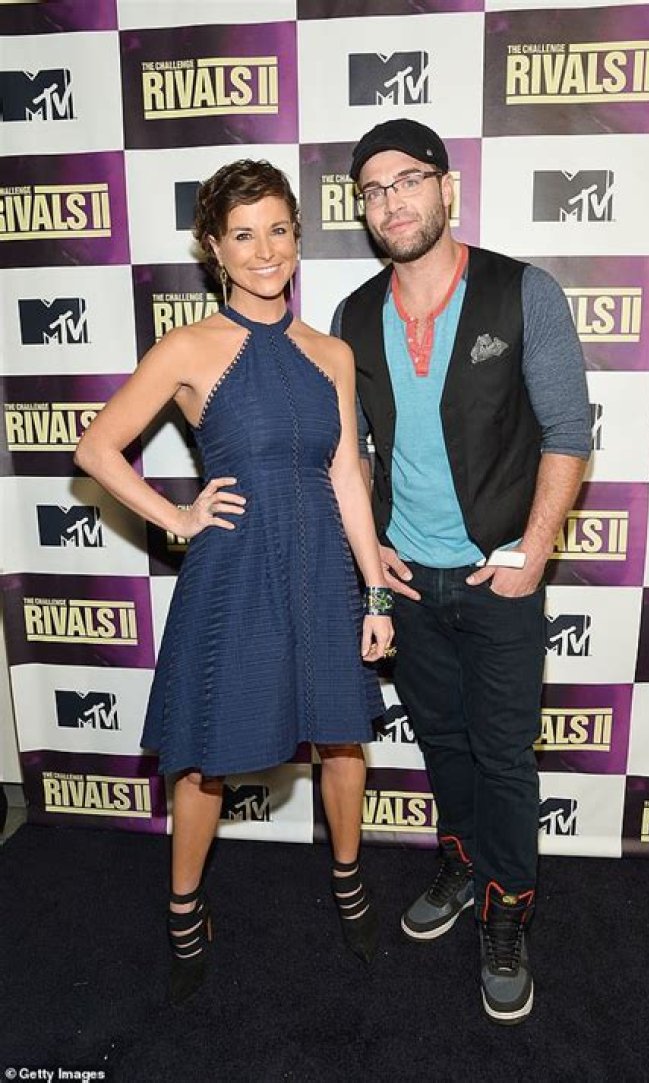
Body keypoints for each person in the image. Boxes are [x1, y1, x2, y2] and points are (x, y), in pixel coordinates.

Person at [75, 159, 393, 1004]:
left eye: (279, 230)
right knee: (205, 758)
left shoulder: (331, 353)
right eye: (244, 235)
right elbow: (97, 448)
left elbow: (347, 476)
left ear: (298, 236)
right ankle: (184, 906)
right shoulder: (189, 347)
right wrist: (177, 515)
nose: (265, 251)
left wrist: (375, 591)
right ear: (215, 249)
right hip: (236, 574)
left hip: (323, 568)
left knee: (342, 739)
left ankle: (349, 880)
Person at [332, 119, 591, 1025]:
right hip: (410, 583)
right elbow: (353, 453)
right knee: (443, 741)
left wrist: (534, 552)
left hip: (496, 581)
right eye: (373, 189)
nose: (392, 201)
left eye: (408, 179)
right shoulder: (353, 316)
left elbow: (568, 431)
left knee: (504, 757)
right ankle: (463, 858)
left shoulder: (524, 292)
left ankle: (507, 908)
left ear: (447, 187)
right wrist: (372, 551)